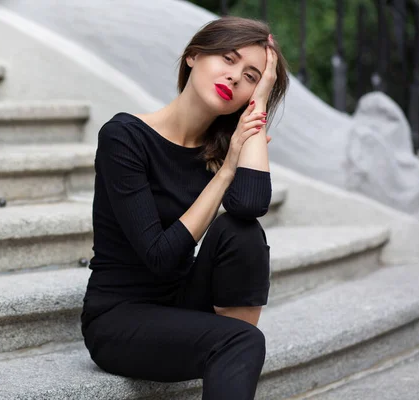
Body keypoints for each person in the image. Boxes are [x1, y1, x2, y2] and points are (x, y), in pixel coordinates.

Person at [80, 16, 290, 400]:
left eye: (250, 77)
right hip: (119, 319)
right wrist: (226, 172)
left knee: (241, 231)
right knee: (243, 342)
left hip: (182, 303)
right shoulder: (124, 138)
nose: (233, 78)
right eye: (227, 59)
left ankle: (229, 346)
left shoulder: (223, 144)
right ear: (193, 55)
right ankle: (230, 347)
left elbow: (250, 205)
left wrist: (260, 104)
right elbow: (158, 256)